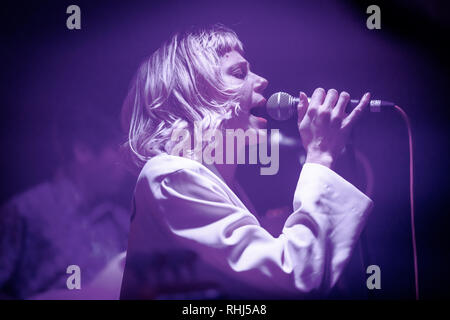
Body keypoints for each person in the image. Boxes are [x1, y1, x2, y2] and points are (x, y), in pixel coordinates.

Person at [119, 24, 373, 299]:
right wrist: (321, 155)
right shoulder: (171, 175)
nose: (262, 80)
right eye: (239, 73)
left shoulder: (216, 181)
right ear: (194, 94)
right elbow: (294, 277)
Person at [0, 105, 133, 299]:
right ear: (83, 151)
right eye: (116, 149)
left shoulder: (122, 220)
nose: (125, 164)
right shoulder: (25, 211)